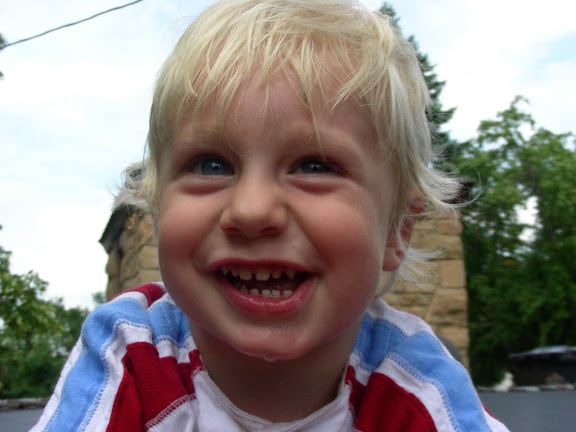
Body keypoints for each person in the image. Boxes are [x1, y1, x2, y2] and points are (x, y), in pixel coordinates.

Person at [31, 1, 510, 431]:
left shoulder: (416, 383)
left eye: (314, 165)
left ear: (397, 230)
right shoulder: (130, 354)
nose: (251, 210)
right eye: (211, 165)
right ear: (158, 212)